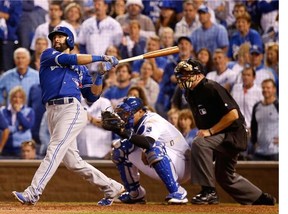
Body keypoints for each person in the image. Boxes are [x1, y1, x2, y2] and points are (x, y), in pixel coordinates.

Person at [12, 26, 124, 206]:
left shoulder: (82, 70)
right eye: (55, 37)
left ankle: (33, 192)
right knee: (73, 162)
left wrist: (101, 75)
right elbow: (71, 58)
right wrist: (101, 57)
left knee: (54, 149)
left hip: (72, 109)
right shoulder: (48, 55)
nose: (56, 39)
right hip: (52, 111)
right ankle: (112, 187)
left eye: (61, 37)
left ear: (69, 40)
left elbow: (93, 96)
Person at [174, 58, 276, 205]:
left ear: (197, 74)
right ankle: (260, 198)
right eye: (181, 74)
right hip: (220, 135)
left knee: (200, 143)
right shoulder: (190, 93)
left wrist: (210, 131)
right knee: (224, 176)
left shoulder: (211, 87)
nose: (182, 78)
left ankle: (208, 192)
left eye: (186, 73)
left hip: (234, 133)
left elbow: (233, 115)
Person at [104, 97, 190, 204]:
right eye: (123, 113)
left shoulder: (152, 120)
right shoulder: (135, 123)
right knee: (120, 149)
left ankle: (177, 192)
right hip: (165, 160)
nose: (125, 117)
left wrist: (121, 131)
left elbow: (148, 143)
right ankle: (135, 194)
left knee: (153, 148)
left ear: (141, 112)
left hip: (182, 164)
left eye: (128, 113)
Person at [77, 0, 123, 73]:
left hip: (109, 68)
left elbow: (118, 46)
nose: (96, 7)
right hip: (90, 67)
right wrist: (86, 62)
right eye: (95, 4)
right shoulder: (86, 24)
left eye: (99, 4)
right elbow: (82, 44)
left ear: (106, 6)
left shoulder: (114, 24)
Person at [0, 86, 35, 158]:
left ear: (23, 99)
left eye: (20, 97)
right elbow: (5, 128)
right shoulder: (3, 111)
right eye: (15, 97)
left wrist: (19, 112)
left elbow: (28, 125)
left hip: (22, 148)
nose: (17, 100)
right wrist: (18, 128)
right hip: (6, 147)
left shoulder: (29, 111)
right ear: (10, 98)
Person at [250, 79, 278, 161]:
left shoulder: (278, 105)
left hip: (276, 152)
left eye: (268, 88)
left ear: (274, 89)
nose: (265, 90)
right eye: (263, 88)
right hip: (259, 152)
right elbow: (254, 126)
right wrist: (254, 141)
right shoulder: (257, 106)